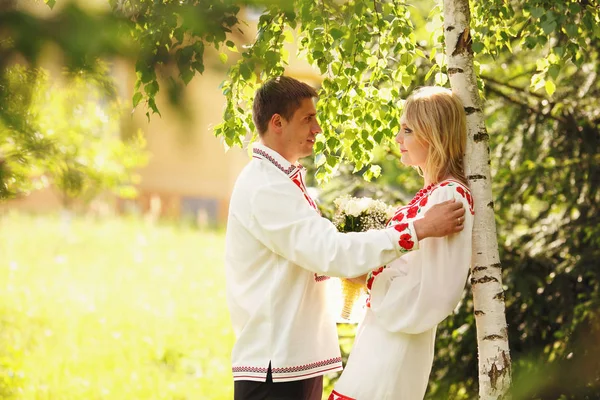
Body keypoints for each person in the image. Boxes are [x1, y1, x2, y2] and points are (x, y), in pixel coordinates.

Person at [224, 77, 466, 400]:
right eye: (307, 119)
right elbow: (328, 251)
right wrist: (416, 229)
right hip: (273, 365)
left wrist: (362, 277)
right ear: (277, 123)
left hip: (294, 360)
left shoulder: (282, 181)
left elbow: (308, 264)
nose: (318, 129)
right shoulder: (266, 187)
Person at [328, 86, 474, 400]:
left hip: (397, 346)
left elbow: (432, 291)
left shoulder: (449, 195)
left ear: (433, 136)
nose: (397, 139)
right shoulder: (434, 193)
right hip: (384, 338)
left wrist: (368, 278)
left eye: (407, 130)